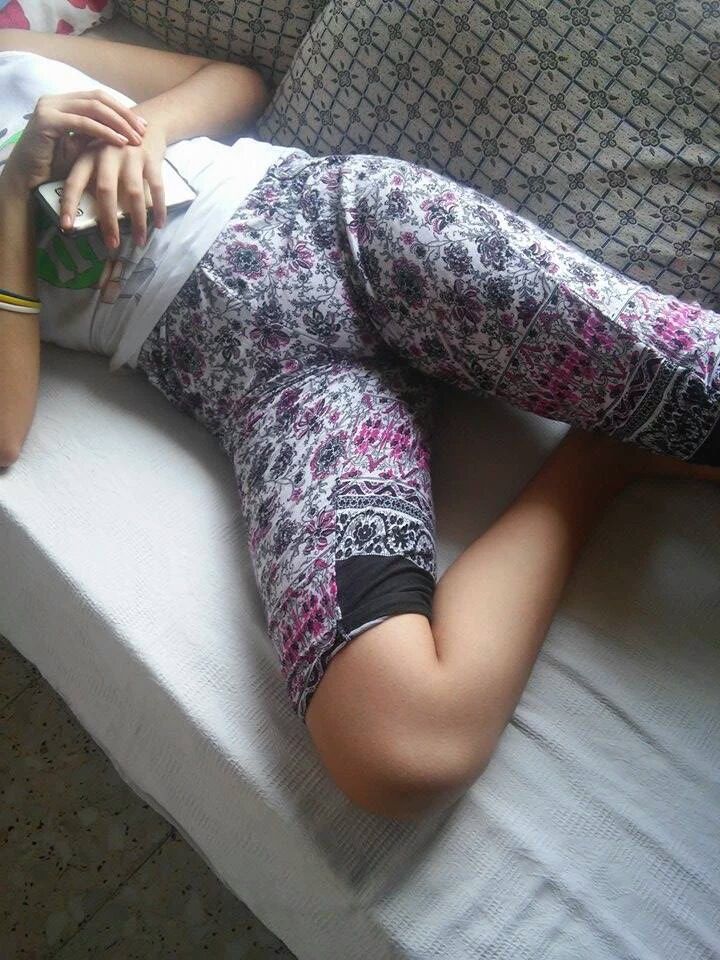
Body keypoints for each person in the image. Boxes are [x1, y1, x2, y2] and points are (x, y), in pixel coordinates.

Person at [0, 29, 718, 822]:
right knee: (401, 745)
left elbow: (234, 79)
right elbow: (6, 428)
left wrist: (148, 130)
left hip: (341, 224)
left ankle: (627, 418)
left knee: (700, 385)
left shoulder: (8, 49)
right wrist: (11, 192)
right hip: (269, 379)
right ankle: (601, 459)